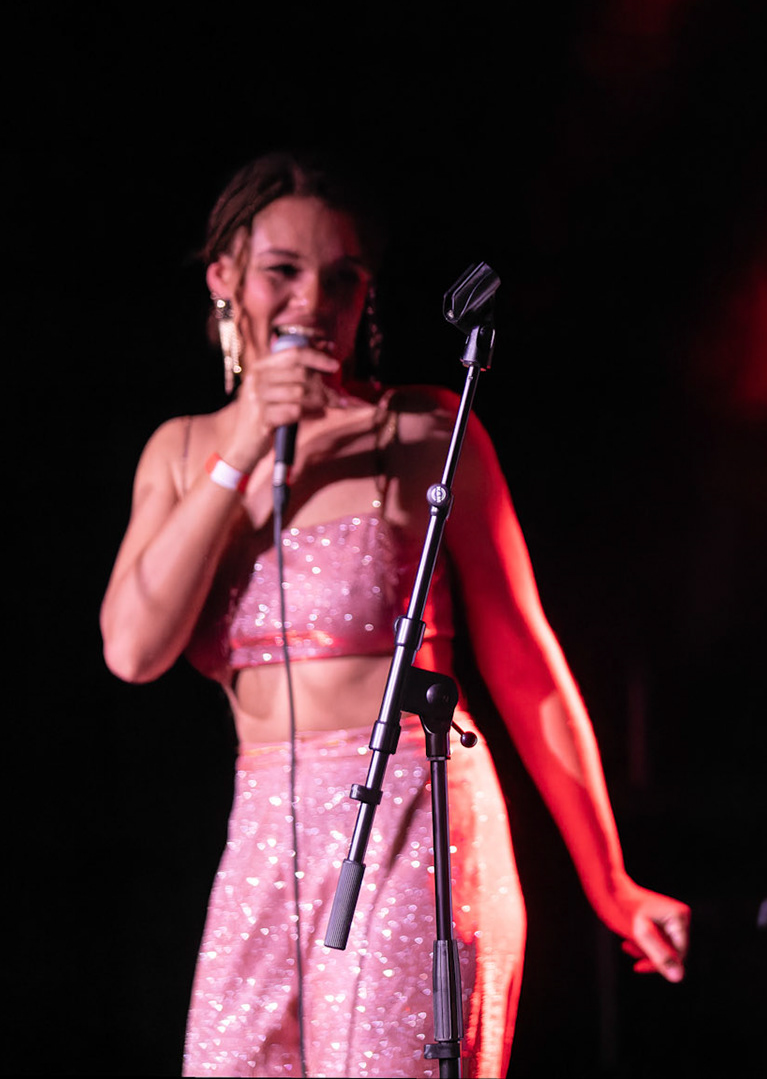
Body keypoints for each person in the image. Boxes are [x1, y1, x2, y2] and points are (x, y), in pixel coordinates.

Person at [101, 152, 690, 1079]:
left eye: (342, 278)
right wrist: (245, 446)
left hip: (415, 813)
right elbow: (133, 647)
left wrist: (608, 879)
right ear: (225, 279)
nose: (312, 301)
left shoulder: (421, 432)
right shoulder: (180, 453)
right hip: (265, 831)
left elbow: (528, 665)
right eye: (283, 272)